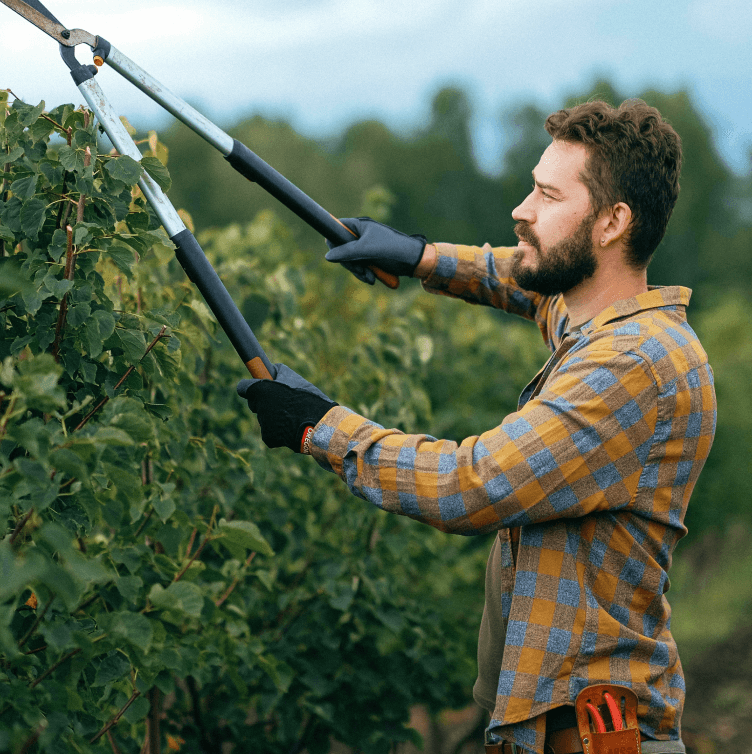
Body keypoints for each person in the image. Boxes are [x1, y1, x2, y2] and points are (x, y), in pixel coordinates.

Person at [237, 100, 717, 754]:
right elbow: (525, 282)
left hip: (590, 739)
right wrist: (421, 257)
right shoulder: (600, 320)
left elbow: (473, 484)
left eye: (549, 196)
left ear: (612, 222)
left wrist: (320, 426)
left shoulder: (630, 366)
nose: (522, 209)